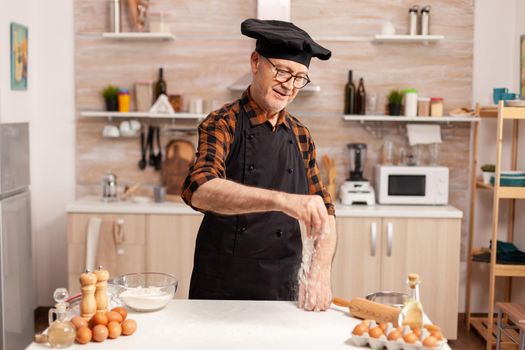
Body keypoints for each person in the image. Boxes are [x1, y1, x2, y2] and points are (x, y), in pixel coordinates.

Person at [181, 18, 337, 311]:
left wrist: (321, 268)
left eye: (299, 78)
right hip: (223, 285)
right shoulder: (222, 122)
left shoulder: (301, 134)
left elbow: (326, 210)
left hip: (284, 282)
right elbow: (200, 188)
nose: (289, 86)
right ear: (255, 62)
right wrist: (282, 200)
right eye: (282, 71)